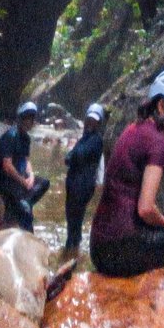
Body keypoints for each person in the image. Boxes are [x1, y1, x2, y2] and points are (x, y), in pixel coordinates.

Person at [89, 67, 164, 278]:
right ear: (161, 106)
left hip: (98, 247)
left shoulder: (134, 128)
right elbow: (145, 209)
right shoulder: (159, 142)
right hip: (118, 251)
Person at [0, 100, 52, 232]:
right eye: (28, 118)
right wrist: (23, 181)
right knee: (25, 209)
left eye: (32, 118)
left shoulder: (26, 138)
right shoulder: (11, 135)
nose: (30, 122)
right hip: (1, 178)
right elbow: (7, 166)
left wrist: (31, 176)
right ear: (21, 118)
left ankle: (23, 202)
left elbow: (26, 161)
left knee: (44, 183)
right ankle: (26, 227)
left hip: (16, 178)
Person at [63, 101, 105, 255]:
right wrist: (72, 154)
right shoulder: (85, 138)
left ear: (99, 123)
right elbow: (69, 158)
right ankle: (73, 250)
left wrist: (72, 154)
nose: (91, 123)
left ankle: (71, 251)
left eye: (95, 121)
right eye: (89, 120)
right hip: (75, 182)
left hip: (83, 185)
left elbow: (77, 155)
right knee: (72, 218)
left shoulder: (96, 140)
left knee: (75, 218)